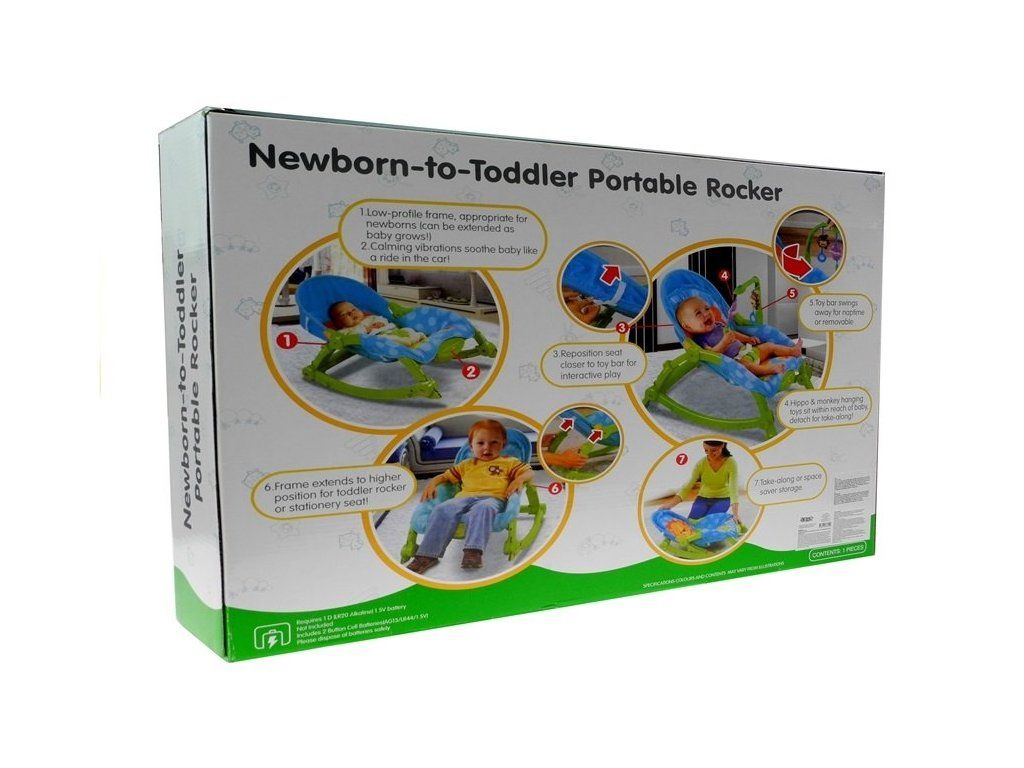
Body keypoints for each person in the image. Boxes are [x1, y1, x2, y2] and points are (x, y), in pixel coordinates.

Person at [407, 420, 534, 574]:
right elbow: (445, 477)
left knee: (483, 508)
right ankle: (427, 555)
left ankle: (473, 551)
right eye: (480, 443)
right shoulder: (466, 464)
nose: (487, 448)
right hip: (463, 498)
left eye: (494, 443)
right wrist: (433, 483)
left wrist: (518, 480)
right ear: (471, 446)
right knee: (442, 508)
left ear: (503, 445)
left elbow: (528, 472)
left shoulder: (509, 462)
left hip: (492, 499)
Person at [676, 296, 801, 376]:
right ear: (687, 327)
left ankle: (793, 351)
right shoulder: (700, 340)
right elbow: (710, 355)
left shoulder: (718, 325)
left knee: (769, 346)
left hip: (749, 351)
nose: (706, 313)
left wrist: (748, 339)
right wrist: (724, 343)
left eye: (707, 308)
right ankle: (770, 370)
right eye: (698, 313)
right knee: (746, 366)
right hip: (737, 360)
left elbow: (734, 334)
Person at [646, 440, 741, 526]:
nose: (709, 454)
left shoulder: (731, 463)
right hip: (703, 499)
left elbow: (733, 487)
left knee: (708, 524)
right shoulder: (701, 464)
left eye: (713, 450)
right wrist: (670, 504)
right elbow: (687, 486)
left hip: (723, 499)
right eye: (706, 450)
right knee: (691, 524)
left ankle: (722, 525)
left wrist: (736, 514)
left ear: (722, 445)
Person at [326, 300, 427, 347]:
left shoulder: (370, 317)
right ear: (339, 323)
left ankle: (418, 336)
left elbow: (383, 320)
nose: (351, 313)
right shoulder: (345, 331)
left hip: (391, 330)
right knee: (390, 340)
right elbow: (349, 338)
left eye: (353, 309)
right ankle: (408, 343)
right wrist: (366, 329)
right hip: (379, 339)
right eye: (344, 314)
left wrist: (381, 323)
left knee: (407, 330)